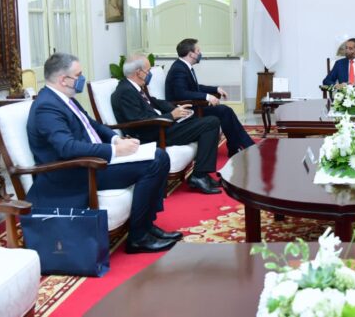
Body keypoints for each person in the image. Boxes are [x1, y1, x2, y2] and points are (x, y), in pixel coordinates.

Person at [27, 53, 179, 254]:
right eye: (79, 74)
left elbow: (93, 125)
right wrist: (114, 150)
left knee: (158, 156)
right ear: (63, 80)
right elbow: (67, 147)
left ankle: (147, 225)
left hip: (92, 161)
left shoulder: (65, 99)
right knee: (154, 163)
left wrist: (115, 139)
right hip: (77, 172)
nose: (82, 79)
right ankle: (138, 238)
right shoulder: (47, 107)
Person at [111, 54, 222, 194]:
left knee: (206, 123)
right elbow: (137, 121)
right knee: (211, 122)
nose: (149, 74)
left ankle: (201, 174)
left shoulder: (134, 87)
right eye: (148, 70)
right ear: (139, 72)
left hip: (161, 127)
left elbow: (154, 102)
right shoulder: (124, 92)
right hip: (153, 134)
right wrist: (171, 116)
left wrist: (175, 110)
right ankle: (199, 176)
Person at [165, 38, 254, 157]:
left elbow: (195, 87)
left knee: (225, 111)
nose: (200, 53)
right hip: (185, 112)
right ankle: (245, 146)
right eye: (198, 50)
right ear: (191, 54)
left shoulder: (183, 66)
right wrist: (207, 97)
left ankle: (238, 147)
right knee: (224, 111)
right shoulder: (178, 69)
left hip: (194, 107)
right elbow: (182, 93)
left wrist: (215, 89)